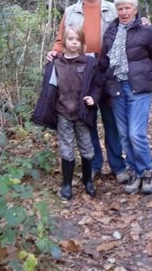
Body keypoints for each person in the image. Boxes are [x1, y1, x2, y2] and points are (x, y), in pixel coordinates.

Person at [47, 0, 129, 184]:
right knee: (88, 120)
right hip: (82, 73)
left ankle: (118, 166)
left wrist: (144, 22)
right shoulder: (71, 11)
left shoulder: (113, 9)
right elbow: (60, 40)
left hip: (110, 72)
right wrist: (55, 52)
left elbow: (131, 27)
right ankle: (93, 166)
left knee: (112, 121)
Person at [99, 0, 152, 195]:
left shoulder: (146, 30)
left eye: (128, 7)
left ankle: (147, 171)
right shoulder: (111, 31)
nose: (124, 12)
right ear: (116, 10)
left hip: (138, 89)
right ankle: (135, 172)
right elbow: (104, 61)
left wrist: (145, 75)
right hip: (117, 89)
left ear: (135, 9)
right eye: (120, 8)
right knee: (124, 136)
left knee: (136, 134)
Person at [32, 26, 101, 199]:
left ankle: (88, 181)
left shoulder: (89, 62)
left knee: (87, 147)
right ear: (64, 41)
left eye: (77, 39)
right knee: (66, 147)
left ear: (82, 42)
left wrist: (93, 98)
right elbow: (49, 89)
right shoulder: (56, 62)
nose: (74, 42)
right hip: (63, 112)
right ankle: (66, 184)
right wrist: (46, 111)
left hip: (82, 113)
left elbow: (97, 84)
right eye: (70, 39)